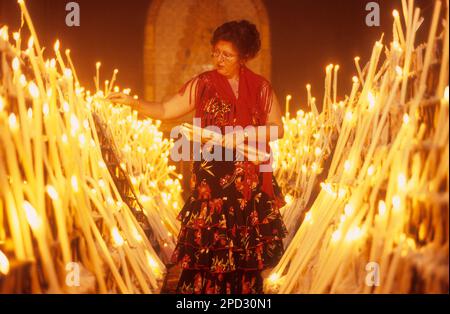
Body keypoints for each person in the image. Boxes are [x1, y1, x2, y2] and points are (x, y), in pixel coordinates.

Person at [107, 20, 287, 294]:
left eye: (227, 55)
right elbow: (167, 109)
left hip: (248, 184)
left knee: (244, 259)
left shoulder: (261, 88)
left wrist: (245, 133)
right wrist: (134, 103)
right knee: (208, 254)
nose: (219, 60)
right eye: (215, 52)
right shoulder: (204, 84)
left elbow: (278, 130)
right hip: (213, 182)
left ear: (244, 57)